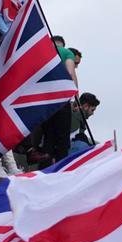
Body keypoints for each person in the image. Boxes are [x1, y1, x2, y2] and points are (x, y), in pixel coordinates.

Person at [40, 34, 80, 163]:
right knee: (62, 138)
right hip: (61, 98)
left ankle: (45, 167)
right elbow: (70, 73)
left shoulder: (43, 52)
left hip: (44, 99)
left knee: (48, 136)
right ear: (62, 44)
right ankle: (60, 167)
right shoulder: (67, 53)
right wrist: (76, 97)